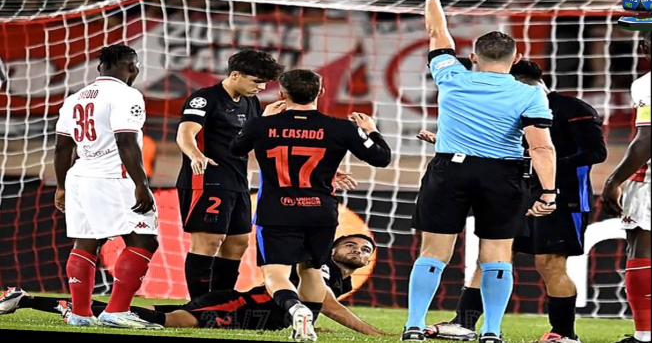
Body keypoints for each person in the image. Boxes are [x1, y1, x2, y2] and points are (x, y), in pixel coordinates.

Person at [402, 0, 557, 343]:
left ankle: (413, 327)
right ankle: (490, 331)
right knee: (496, 257)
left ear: (473, 56)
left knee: (434, 252)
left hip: (450, 170)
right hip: (501, 175)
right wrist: (549, 192)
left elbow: (437, 33)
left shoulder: (451, 75)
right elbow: (540, 146)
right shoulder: (530, 93)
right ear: (516, 56)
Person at [419, 60, 608, 343]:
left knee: (550, 264)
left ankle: (563, 334)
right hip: (515, 194)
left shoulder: (573, 109)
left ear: (524, 81)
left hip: (562, 199)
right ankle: (464, 323)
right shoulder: (509, 105)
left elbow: (596, 152)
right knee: (491, 259)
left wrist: (544, 167)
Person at [229, 68, 392, 341]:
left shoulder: (262, 125)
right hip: (320, 212)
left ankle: (295, 310)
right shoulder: (341, 127)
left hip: (277, 211)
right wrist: (372, 131)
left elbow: (235, 149)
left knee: (276, 273)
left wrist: (262, 120)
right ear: (320, 92)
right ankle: (308, 324)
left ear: (282, 94)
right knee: (312, 271)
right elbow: (381, 158)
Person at [0, 234, 391, 336]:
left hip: (244, 313)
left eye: (365, 248)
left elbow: (319, 308)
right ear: (334, 248)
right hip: (236, 309)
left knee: (151, 317)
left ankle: (27, 299)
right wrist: (376, 333)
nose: (358, 249)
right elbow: (330, 306)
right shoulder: (321, 269)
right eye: (351, 243)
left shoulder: (335, 275)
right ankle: (40, 302)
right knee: (157, 321)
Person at [52, 44, 161, 329]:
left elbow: (62, 148)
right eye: (134, 67)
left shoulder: (74, 98)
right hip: (114, 176)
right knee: (144, 239)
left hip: (79, 175)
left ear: (100, 67)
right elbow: (126, 141)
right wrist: (141, 185)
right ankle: (117, 311)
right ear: (131, 67)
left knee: (86, 242)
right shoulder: (127, 95)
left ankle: (81, 313)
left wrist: (61, 187)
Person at [174, 49, 285, 300]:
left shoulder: (251, 103)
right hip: (207, 179)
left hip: (237, 181)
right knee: (209, 241)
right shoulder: (204, 99)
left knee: (238, 243)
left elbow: (253, 141)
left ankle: (221, 302)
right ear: (235, 75)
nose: (262, 87)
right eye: (256, 81)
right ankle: (199, 306)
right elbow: (185, 133)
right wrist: (196, 155)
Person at [601, 31, 651, 343]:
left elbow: (647, 140)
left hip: (649, 181)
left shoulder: (646, 84)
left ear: (645, 47)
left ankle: (645, 335)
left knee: (642, 248)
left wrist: (613, 180)